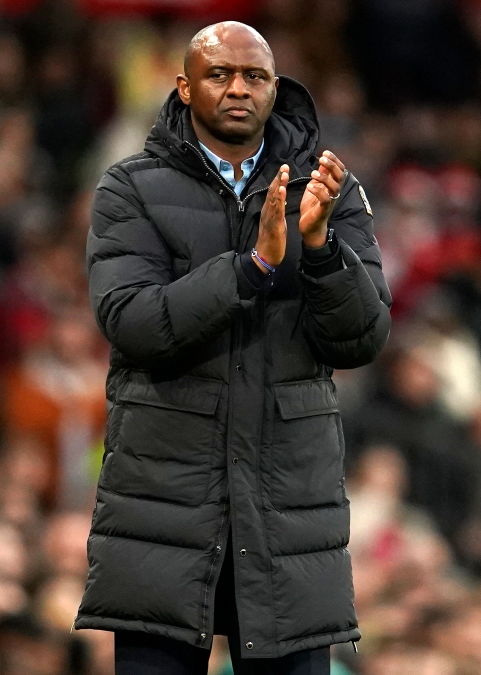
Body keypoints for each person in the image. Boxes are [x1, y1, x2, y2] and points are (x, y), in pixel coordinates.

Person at [73, 21, 392, 675]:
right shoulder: (129, 187)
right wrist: (252, 268)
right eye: (220, 74)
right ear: (185, 87)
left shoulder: (328, 189)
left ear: (276, 88)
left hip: (287, 509)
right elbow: (133, 322)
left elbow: (362, 337)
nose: (239, 88)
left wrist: (322, 250)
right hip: (164, 505)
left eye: (255, 76)